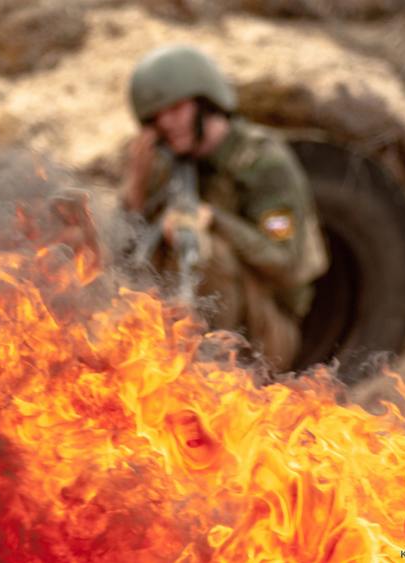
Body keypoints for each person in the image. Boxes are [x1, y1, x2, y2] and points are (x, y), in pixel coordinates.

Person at [121, 44, 329, 370]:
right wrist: (137, 183)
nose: (167, 123)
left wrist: (214, 221)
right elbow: (132, 253)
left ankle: (209, 376)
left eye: (176, 109)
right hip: (193, 316)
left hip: (268, 332)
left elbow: (285, 261)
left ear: (206, 103)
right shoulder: (174, 162)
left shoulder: (263, 163)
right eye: (156, 117)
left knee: (208, 249)